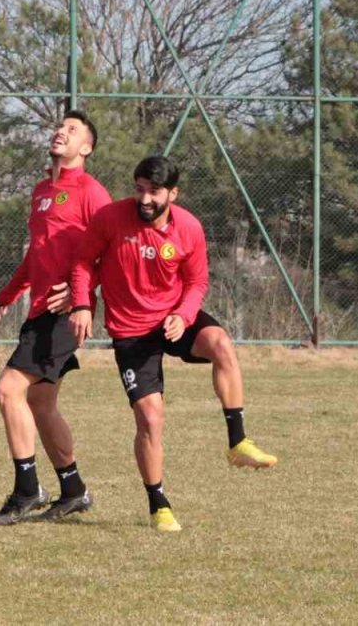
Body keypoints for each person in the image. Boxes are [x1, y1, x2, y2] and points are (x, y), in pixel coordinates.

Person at [68, 155, 277, 533]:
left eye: (154, 192)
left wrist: (183, 314)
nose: (145, 199)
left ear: (173, 194)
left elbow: (197, 282)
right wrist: (82, 304)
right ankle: (159, 505)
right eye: (140, 190)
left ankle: (237, 442)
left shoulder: (189, 228)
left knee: (221, 343)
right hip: (131, 332)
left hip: (173, 320)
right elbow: (82, 261)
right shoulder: (111, 218)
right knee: (150, 419)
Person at [0, 111, 112, 524]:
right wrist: (5, 296)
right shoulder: (42, 190)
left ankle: (27, 490)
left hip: (64, 315)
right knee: (41, 404)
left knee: (8, 390)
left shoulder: (92, 192)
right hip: (39, 311)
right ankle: (73, 490)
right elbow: (35, 256)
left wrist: (80, 296)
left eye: (72, 130)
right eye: (60, 126)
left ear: (86, 148)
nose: (62, 131)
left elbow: (112, 252)